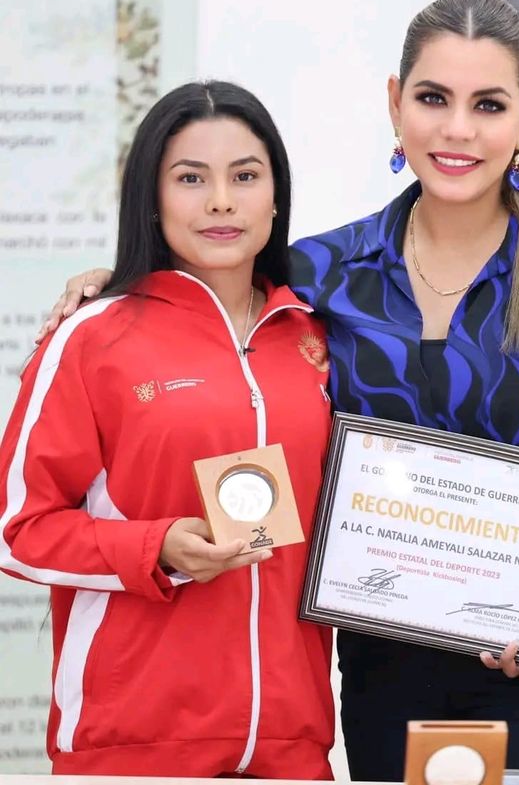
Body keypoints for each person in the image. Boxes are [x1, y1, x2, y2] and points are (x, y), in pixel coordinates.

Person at [37, 0, 519, 775]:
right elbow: (209, 305)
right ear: (396, 104)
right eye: (433, 98)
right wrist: (117, 283)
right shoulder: (320, 273)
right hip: (384, 666)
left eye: (488, 105)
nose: (457, 129)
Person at [0, 82, 334, 777]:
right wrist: (154, 548)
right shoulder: (93, 336)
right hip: (135, 747)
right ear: (151, 199)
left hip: (290, 749)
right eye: (191, 178)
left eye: (245, 176)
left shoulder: (316, 338)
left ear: (276, 196)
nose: (221, 201)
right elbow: (17, 526)